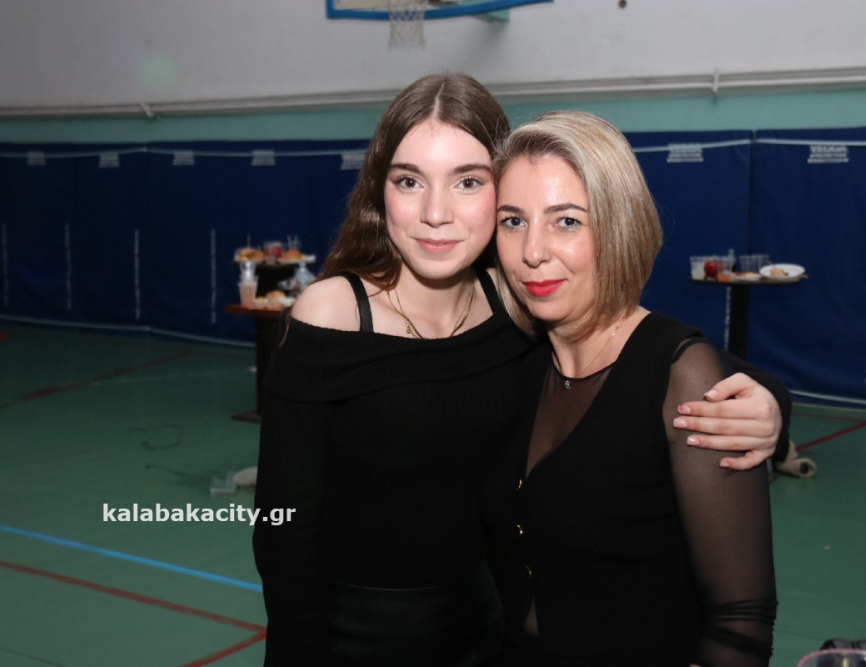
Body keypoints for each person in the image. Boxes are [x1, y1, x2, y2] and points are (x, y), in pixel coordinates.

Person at [252, 75, 785, 667]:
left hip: (485, 635)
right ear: (380, 190)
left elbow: (655, 359)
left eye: (467, 181)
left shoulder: (513, 306)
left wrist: (771, 403)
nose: (435, 213)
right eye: (409, 181)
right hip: (357, 640)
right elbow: (282, 527)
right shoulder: (335, 312)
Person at [482, 110, 777, 666]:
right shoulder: (519, 360)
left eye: (567, 221)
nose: (532, 251)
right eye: (513, 221)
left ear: (618, 226)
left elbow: (741, 620)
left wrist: (772, 408)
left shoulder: (682, 377)